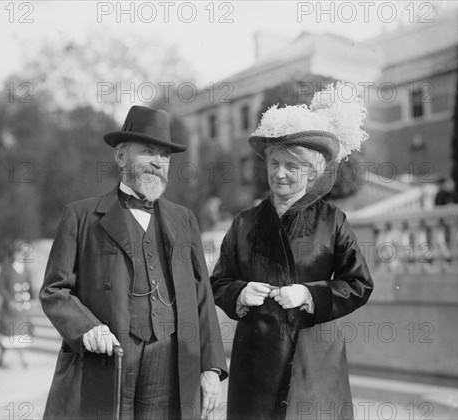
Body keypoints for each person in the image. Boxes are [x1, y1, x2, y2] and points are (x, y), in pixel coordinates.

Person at [40, 105, 227, 420]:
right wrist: (86, 328)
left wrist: (210, 367)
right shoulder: (81, 216)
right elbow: (54, 289)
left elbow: (202, 297)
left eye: (164, 156)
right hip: (109, 358)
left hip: (170, 358)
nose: (157, 162)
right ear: (121, 156)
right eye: (148, 152)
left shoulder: (185, 220)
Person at [211, 83, 374, 420]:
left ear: (312, 171)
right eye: (274, 163)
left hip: (312, 359)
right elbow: (218, 281)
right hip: (256, 358)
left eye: (292, 165)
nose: (280, 173)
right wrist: (240, 293)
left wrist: (309, 294)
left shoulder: (332, 222)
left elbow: (358, 284)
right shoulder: (244, 223)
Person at [0, 240, 33, 368]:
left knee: (21, 334)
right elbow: (1, 286)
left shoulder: (26, 269)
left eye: (23, 254)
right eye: (19, 253)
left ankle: (22, 360)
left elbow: (30, 287)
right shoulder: (6, 268)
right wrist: (9, 300)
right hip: (10, 308)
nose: (22, 256)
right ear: (14, 253)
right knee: (8, 335)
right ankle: (2, 360)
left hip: (22, 308)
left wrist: (32, 299)